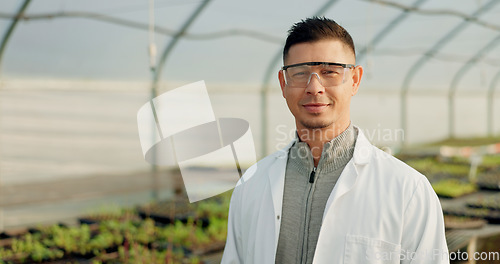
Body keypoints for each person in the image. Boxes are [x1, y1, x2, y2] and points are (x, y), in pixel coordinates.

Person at [221, 17, 449, 264]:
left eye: (330, 72)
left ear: (355, 80)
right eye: (300, 73)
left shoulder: (408, 191)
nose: (314, 87)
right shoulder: (251, 185)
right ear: (283, 83)